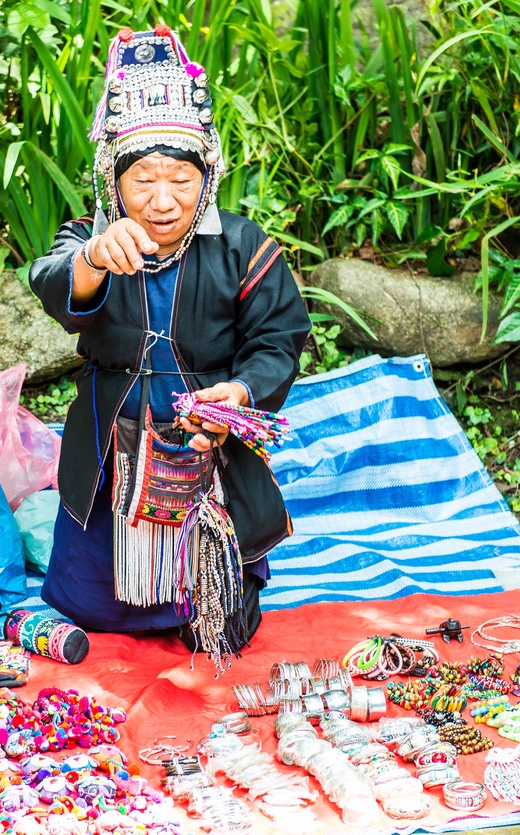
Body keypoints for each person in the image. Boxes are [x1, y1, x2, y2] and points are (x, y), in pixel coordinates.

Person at [28, 25, 311, 660]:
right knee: (92, 610)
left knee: (219, 614)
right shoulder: (87, 237)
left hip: (206, 454)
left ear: (207, 174)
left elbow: (279, 339)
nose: (161, 201)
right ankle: (113, 596)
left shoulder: (242, 246)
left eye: (180, 179)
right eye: (143, 180)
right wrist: (95, 258)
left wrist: (236, 395)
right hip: (113, 448)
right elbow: (49, 278)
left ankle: (207, 600)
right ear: (112, 179)